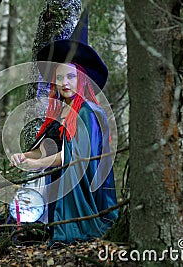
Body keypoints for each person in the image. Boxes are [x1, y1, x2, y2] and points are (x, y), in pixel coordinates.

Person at [10, 10, 118, 246]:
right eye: (60, 78)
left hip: (82, 193)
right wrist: (25, 156)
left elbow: (74, 157)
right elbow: (48, 148)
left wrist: (35, 165)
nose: (65, 83)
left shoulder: (89, 112)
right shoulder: (59, 112)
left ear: (82, 79)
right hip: (57, 186)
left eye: (71, 76)